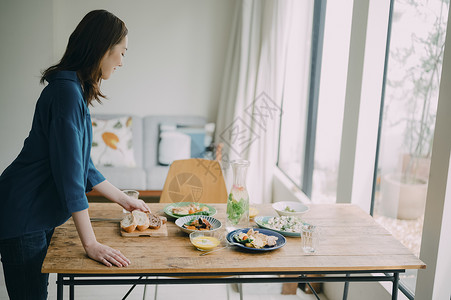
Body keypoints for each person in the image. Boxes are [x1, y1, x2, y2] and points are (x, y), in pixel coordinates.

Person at [0, 9, 149, 299]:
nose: (121, 61)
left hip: (31, 209)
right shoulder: (67, 94)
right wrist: (90, 243)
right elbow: (70, 177)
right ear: (102, 49)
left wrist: (125, 200)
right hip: (23, 212)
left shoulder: (72, 89)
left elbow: (83, 166)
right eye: (121, 52)